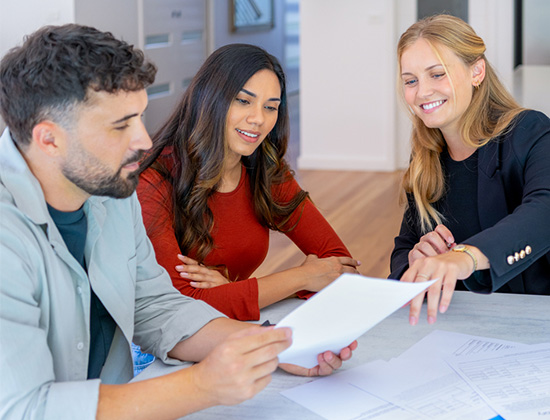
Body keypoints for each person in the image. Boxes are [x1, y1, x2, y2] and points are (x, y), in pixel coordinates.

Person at [0, 24, 357, 420]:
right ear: (49, 139)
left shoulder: (111, 192)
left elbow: (157, 307)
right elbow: (24, 408)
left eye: (139, 118)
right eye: (121, 125)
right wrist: (202, 385)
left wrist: (276, 345)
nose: (144, 141)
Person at [137, 43, 360, 321]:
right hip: (156, 348)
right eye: (243, 101)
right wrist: (302, 277)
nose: (258, 119)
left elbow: (341, 268)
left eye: (271, 107)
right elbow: (181, 306)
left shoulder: (264, 169)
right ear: (209, 98)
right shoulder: (153, 179)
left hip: (230, 329)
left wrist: (233, 292)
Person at [390, 14, 550, 325]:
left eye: (437, 74)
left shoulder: (529, 131)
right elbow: (405, 245)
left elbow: (544, 211)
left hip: (530, 326)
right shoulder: (427, 156)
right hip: (456, 326)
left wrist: (466, 257)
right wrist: (415, 261)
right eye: (411, 80)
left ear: (476, 71)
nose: (422, 92)